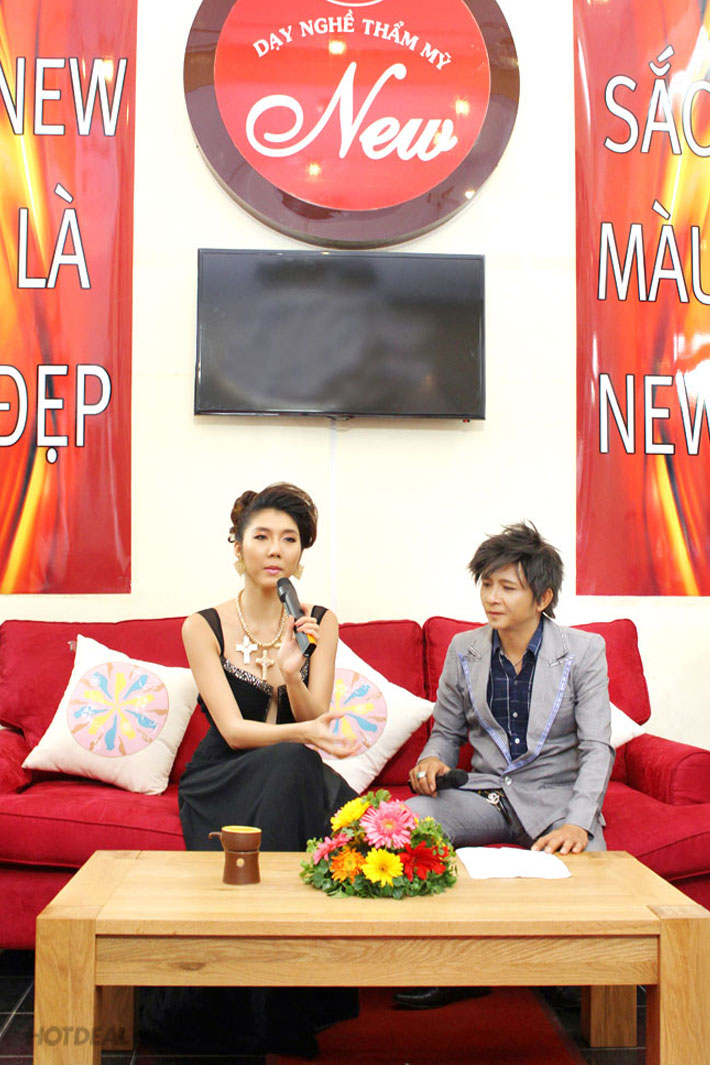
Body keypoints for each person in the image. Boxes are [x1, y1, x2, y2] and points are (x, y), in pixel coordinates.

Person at [142, 483, 358, 1056]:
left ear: (301, 554)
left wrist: (291, 670)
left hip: (290, 772)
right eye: (261, 537)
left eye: (289, 539)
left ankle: (283, 994)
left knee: (334, 793)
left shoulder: (320, 622)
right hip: (224, 774)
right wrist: (304, 734)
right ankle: (268, 1005)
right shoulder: (202, 626)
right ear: (238, 547)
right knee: (300, 764)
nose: (275, 549)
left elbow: (313, 714)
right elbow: (236, 732)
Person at [395, 521, 613, 1010]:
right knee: (408, 826)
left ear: (542, 598)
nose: (492, 598)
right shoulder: (464, 649)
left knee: (594, 870)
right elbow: (446, 733)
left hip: (557, 800)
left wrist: (578, 822)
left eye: (508, 587)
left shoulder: (583, 652)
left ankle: (571, 975)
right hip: (488, 792)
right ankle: (450, 969)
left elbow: (597, 746)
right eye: (487, 584)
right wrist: (432, 760)